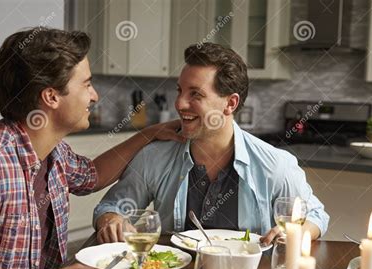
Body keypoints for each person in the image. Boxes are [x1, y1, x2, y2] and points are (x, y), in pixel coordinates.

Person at [0, 27, 184, 269]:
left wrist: (149, 133)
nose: (94, 95)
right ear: (51, 97)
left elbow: (92, 175)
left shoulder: (54, 153)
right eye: (86, 84)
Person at [94, 42, 329, 244]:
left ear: (230, 104)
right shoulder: (154, 157)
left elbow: (316, 215)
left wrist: (298, 232)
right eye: (180, 91)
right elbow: (110, 208)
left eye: (195, 94)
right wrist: (112, 220)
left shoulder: (275, 165)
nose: (180, 103)